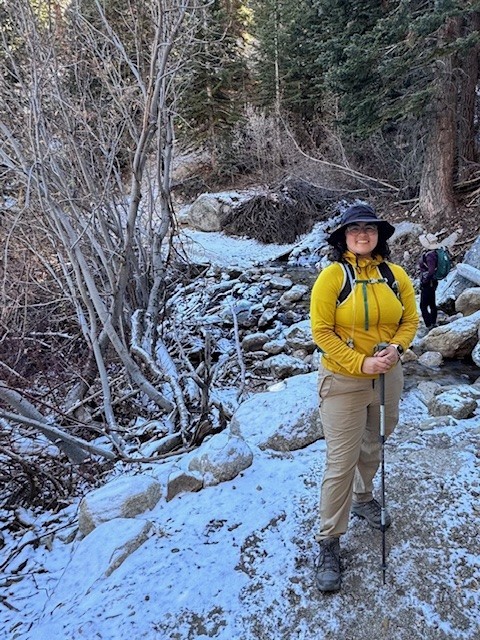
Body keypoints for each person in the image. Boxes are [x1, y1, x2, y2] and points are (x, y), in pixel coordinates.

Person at [310, 202, 418, 592]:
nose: (362, 234)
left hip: (387, 377)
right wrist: (360, 363)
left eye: (369, 228)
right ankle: (329, 540)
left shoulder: (395, 275)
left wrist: (398, 350)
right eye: (354, 228)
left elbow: (410, 320)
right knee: (341, 460)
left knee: (374, 446)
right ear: (343, 237)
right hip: (342, 379)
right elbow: (321, 333)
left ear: (378, 236)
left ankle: (364, 497)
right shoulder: (331, 278)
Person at [418, 230, 460, 329]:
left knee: (423, 306)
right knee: (432, 303)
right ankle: (433, 322)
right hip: (433, 282)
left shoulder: (429, 255)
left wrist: (425, 280)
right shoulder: (436, 252)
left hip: (428, 282)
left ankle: (429, 324)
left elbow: (431, 270)